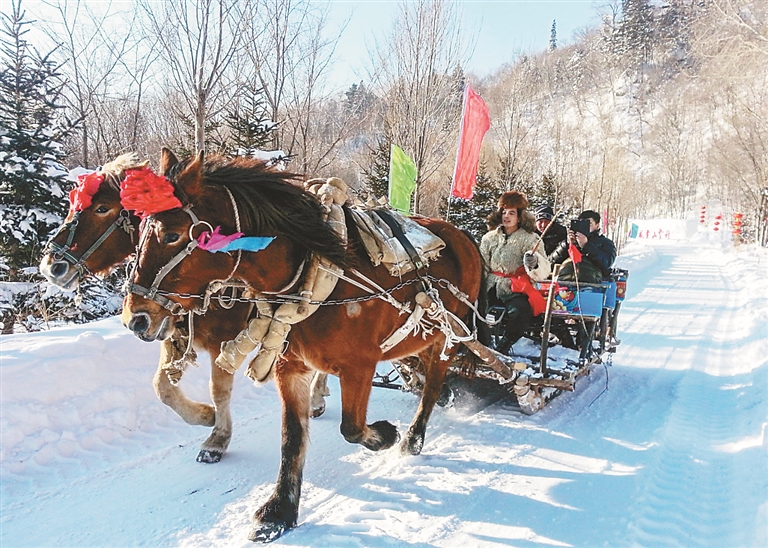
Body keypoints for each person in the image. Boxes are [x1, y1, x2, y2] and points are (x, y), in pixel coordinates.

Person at [479, 191, 551, 354]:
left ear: (520, 216)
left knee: (520, 312)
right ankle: (479, 344)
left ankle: (504, 346)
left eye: (511, 213)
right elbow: (482, 264)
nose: (506, 216)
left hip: (516, 288)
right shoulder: (489, 238)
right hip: (490, 286)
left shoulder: (530, 238)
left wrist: (534, 263)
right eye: (504, 212)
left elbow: (544, 269)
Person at [552, 209, 616, 283]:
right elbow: (552, 261)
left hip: (593, 284)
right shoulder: (569, 241)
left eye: (589, 224)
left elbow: (607, 263)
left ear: (597, 225)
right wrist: (567, 244)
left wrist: (586, 246)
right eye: (581, 223)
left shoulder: (605, 242)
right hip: (564, 282)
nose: (585, 227)